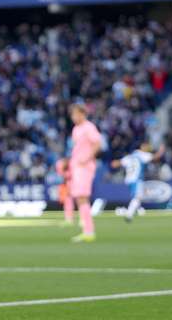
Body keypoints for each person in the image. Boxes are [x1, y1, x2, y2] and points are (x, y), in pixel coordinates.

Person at [68, 102, 102, 243]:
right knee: (79, 197)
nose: (73, 117)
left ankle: (89, 231)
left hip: (84, 166)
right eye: (72, 114)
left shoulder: (89, 127)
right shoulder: (76, 129)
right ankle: (85, 226)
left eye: (76, 114)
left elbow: (97, 143)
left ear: (83, 114)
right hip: (76, 165)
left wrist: (87, 158)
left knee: (82, 196)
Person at [111, 143, 165, 222]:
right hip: (137, 179)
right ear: (142, 147)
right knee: (137, 197)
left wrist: (114, 161)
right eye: (146, 146)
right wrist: (161, 150)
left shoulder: (130, 156)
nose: (147, 148)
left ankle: (135, 210)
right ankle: (128, 214)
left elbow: (114, 164)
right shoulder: (142, 155)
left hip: (129, 180)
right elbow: (156, 157)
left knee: (139, 197)